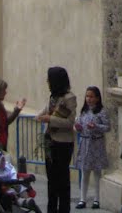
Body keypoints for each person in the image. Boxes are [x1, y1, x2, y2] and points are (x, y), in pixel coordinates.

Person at [36, 66, 77, 213]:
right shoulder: (53, 97)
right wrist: (40, 115)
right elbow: (46, 110)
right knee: (51, 179)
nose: (47, 81)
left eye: (49, 79)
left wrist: (49, 119)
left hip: (63, 143)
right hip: (50, 140)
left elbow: (69, 123)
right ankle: (51, 209)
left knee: (62, 180)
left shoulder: (69, 98)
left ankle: (63, 209)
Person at [75, 86, 110, 209]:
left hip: (96, 144)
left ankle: (97, 199)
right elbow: (79, 124)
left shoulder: (101, 111)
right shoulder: (84, 111)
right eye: (87, 96)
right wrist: (78, 127)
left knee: (97, 172)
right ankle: (82, 199)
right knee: (85, 172)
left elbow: (107, 127)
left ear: (97, 98)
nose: (89, 99)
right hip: (84, 143)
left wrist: (95, 126)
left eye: (91, 96)